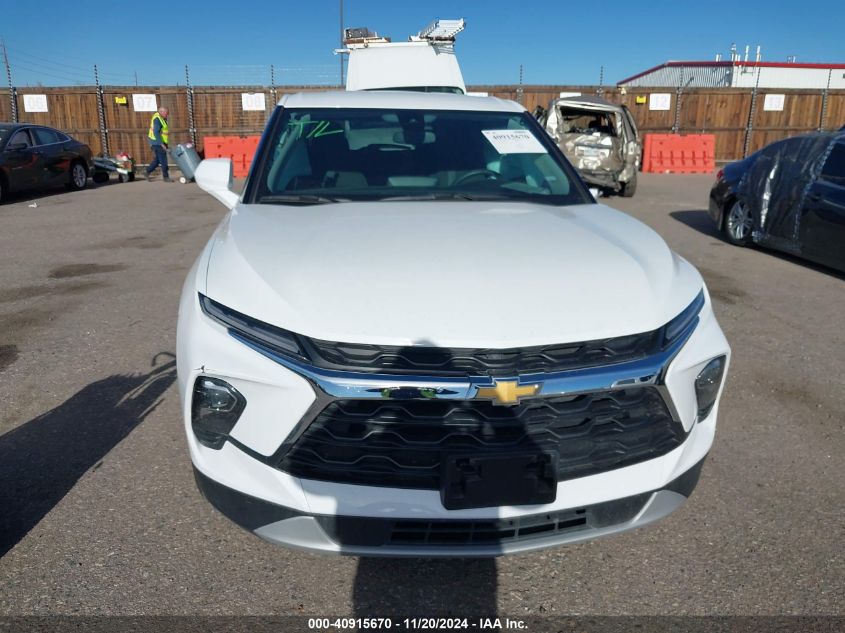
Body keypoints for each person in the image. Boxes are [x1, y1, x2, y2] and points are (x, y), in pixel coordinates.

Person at [145, 107, 171, 181]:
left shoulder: (160, 117)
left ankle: (147, 171)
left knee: (158, 160)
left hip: (157, 142)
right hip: (158, 143)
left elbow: (160, 130)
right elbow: (156, 132)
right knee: (163, 160)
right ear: (162, 112)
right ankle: (166, 177)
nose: (167, 115)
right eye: (166, 113)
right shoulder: (157, 119)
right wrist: (161, 144)